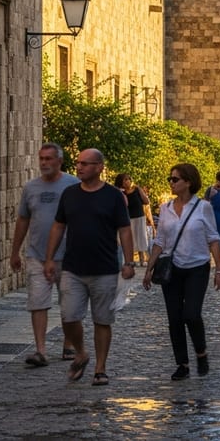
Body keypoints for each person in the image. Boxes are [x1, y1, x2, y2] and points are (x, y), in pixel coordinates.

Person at [43, 148, 134, 387]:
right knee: (69, 315)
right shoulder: (69, 194)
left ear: (100, 167)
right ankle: (81, 352)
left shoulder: (113, 196)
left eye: (85, 163)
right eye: (78, 163)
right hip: (73, 268)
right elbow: (58, 226)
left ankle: (100, 368)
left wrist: (129, 261)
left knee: (102, 320)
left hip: (104, 269)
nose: (79, 167)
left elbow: (124, 229)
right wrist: (50, 258)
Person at [143, 163, 220, 379]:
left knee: (192, 314)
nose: (171, 182)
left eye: (175, 179)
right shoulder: (166, 209)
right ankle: (182, 364)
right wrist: (149, 267)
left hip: (197, 267)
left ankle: (201, 351)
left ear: (188, 182)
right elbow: (160, 240)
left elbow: (213, 238)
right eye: (170, 179)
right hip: (172, 269)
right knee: (174, 318)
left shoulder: (203, 207)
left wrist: (219, 270)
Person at [10, 142, 78, 367]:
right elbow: (23, 219)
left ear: (59, 161)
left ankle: (69, 344)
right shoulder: (31, 188)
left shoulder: (73, 185)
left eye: (49, 159)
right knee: (37, 302)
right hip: (37, 255)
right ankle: (40, 350)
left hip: (68, 256)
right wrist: (15, 251)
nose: (44, 163)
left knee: (69, 304)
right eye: (42, 158)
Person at [114, 173, 152, 266]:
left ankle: (142, 259)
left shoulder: (137, 189)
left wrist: (140, 191)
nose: (128, 181)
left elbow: (146, 201)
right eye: (125, 180)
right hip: (128, 218)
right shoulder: (121, 193)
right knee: (131, 239)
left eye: (129, 179)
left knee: (141, 237)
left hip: (139, 217)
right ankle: (131, 260)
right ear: (121, 182)